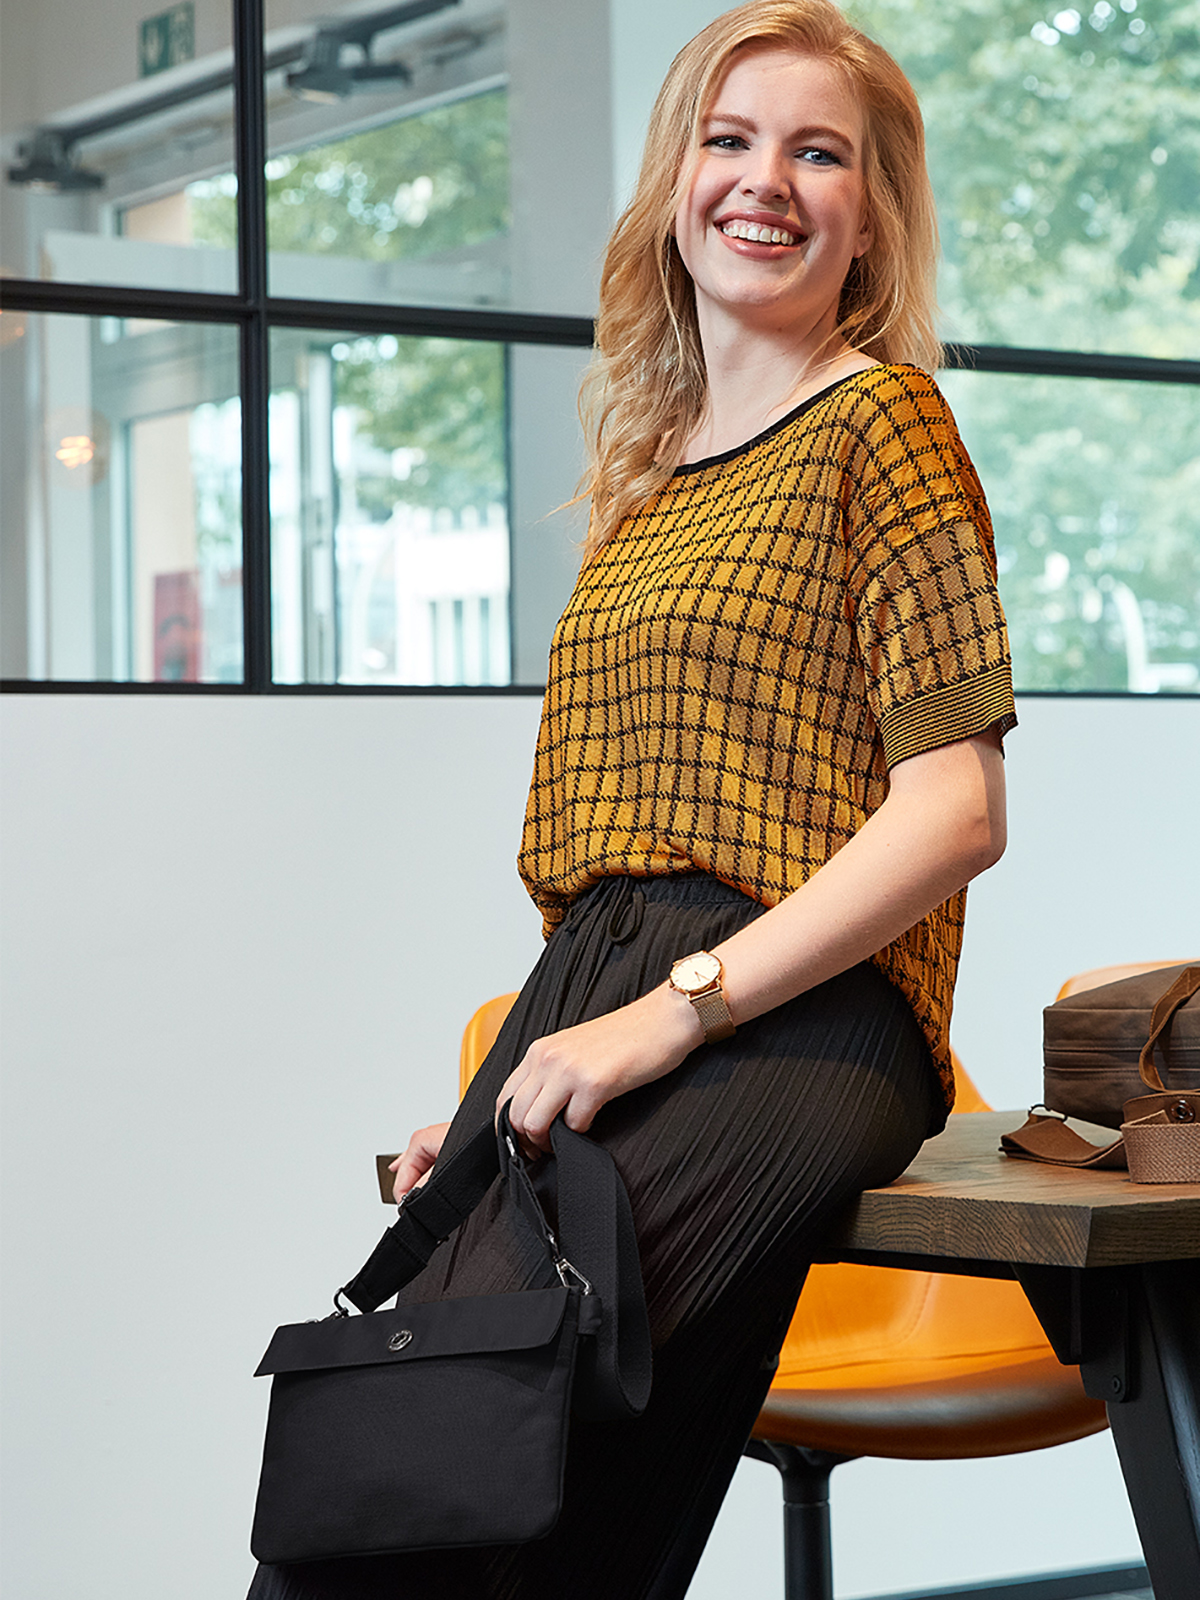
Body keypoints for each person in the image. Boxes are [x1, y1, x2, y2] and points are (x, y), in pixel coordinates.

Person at [249, 2, 1015, 1596]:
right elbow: (618, 859)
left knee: (496, 1480)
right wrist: (506, 1096)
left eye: (819, 153)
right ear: (677, 180)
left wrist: (670, 1016)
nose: (766, 180)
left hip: (794, 1014)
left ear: (873, 215)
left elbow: (955, 811)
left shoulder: (885, 423)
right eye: (730, 140)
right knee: (404, 1473)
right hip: (597, 993)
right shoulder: (649, 484)